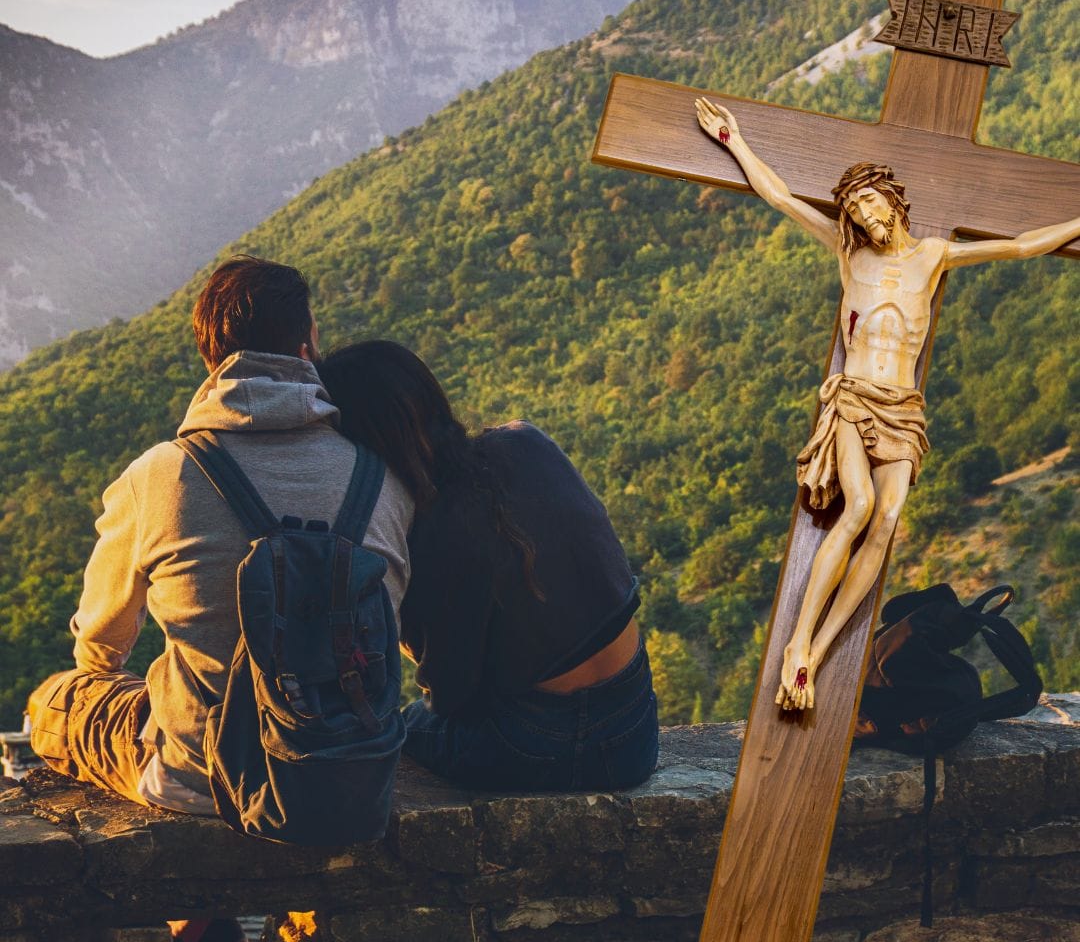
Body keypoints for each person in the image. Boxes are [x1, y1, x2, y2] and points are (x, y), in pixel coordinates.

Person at [26, 258, 413, 923]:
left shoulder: (162, 475)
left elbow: (100, 640)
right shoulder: (382, 480)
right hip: (344, 771)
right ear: (307, 343)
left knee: (55, 701)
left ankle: (198, 928)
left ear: (210, 355)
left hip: (196, 777)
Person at [695, 97, 1080, 712]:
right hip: (852, 399)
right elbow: (783, 198)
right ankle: (797, 645)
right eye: (853, 209)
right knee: (860, 504)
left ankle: (814, 658)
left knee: (887, 521)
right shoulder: (851, 256)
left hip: (903, 407)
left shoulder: (932, 256)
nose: (863, 215)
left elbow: (1021, 247)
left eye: (869, 202)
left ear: (892, 201)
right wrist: (734, 141)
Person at [317, 340, 658, 792]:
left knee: (400, 727)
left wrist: (401, 622)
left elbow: (451, 698)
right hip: (637, 728)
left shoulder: (434, 530)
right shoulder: (526, 442)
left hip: (538, 744)